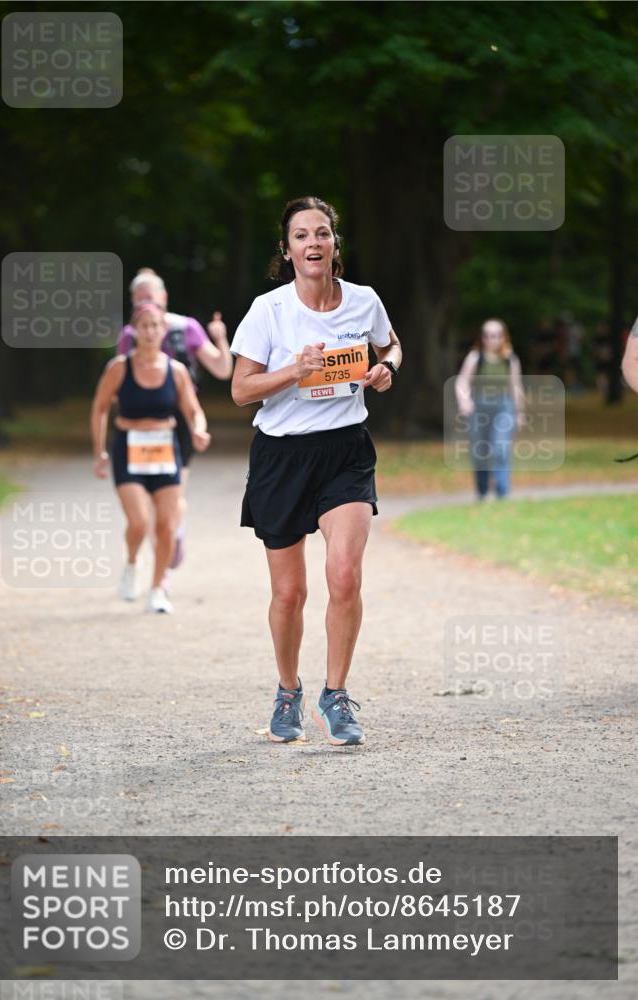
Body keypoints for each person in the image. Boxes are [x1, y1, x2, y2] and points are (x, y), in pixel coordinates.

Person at [230, 196, 401, 747]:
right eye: (301, 235)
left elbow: (391, 344)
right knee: (289, 594)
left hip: (345, 451)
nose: (313, 243)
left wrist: (385, 368)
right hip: (282, 457)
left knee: (345, 575)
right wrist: (293, 371)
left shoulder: (364, 300)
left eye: (322, 233)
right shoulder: (269, 311)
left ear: (334, 244)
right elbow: (240, 390)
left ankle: (336, 693)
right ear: (287, 250)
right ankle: (287, 691)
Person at [91, 301, 211, 613]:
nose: (150, 331)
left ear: (164, 331)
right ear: (134, 330)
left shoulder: (177, 371)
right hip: (128, 447)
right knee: (140, 522)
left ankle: (157, 588)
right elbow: (100, 408)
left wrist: (199, 430)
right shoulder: (119, 367)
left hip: (164, 449)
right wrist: (99, 451)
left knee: (168, 526)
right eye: (144, 325)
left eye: (156, 325)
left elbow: (193, 411)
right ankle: (132, 562)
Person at [117, 269, 232, 572]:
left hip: (179, 418)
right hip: (144, 423)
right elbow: (120, 383)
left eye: (150, 296)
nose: (145, 303)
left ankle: (172, 537)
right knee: (153, 500)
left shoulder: (186, 328)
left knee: (173, 493)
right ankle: (163, 561)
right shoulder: (128, 336)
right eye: (139, 299)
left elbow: (222, 370)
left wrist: (220, 338)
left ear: (164, 298)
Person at [455, 318, 526, 500]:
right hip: (479, 407)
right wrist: (464, 401)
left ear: (503, 337)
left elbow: (516, 387)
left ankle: (502, 493)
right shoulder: (475, 357)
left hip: (504, 407)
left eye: (495, 335)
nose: (491, 339)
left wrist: (520, 413)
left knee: (501, 448)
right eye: (487, 335)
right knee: (480, 451)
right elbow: (462, 381)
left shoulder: (510, 359)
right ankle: (482, 491)